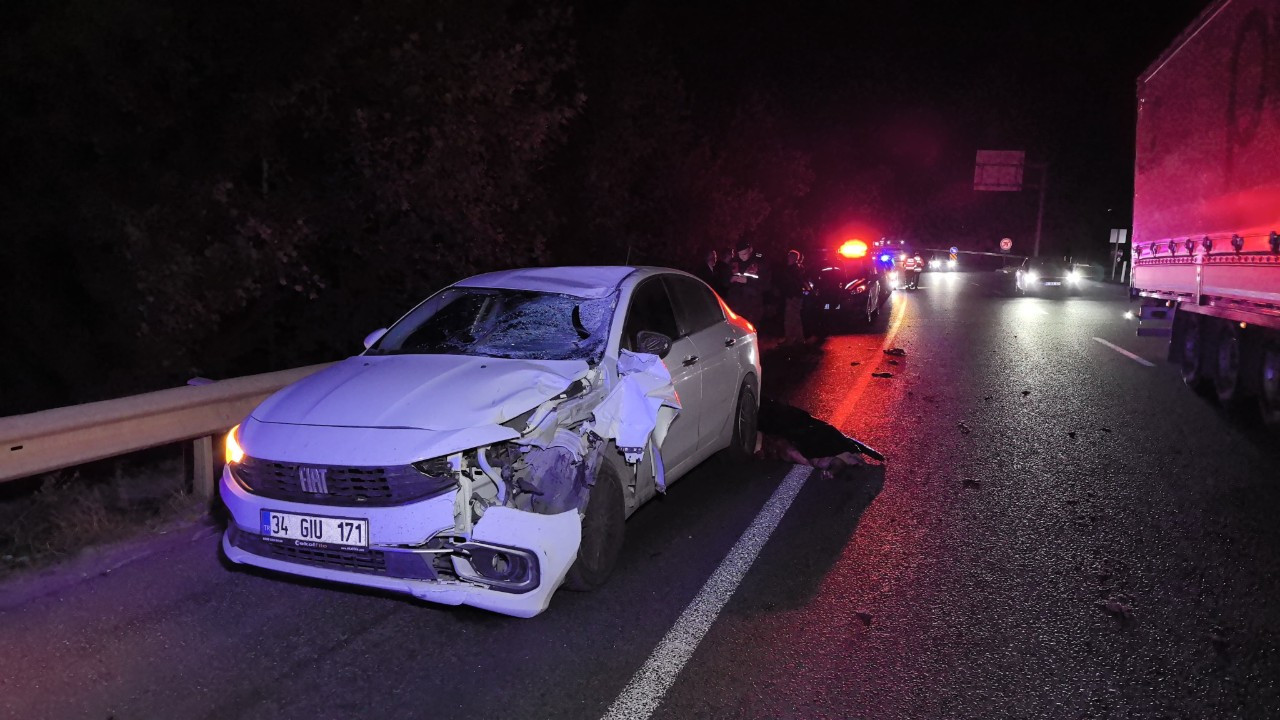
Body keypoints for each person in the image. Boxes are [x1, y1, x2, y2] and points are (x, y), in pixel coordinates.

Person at [725, 240, 766, 327]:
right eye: (739, 254)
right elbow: (723, 281)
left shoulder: (760, 262)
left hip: (752, 305)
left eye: (744, 254)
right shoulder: (734, 262)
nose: (741, 257)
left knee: (750, 329)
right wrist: (730, 280)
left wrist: (747, 281)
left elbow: (765, 284)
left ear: (750, 250)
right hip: (735, 304)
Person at [779, 249, 807, 345]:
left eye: (790, 256)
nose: (788, 258)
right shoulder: (797, 268)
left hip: (793, 297)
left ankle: (794, 339)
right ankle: (796, 338)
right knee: (793, 317)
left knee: (791, 318)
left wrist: (791, 295)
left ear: (793, 258)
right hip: (794, 296)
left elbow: (793, 284)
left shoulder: (793, 269)